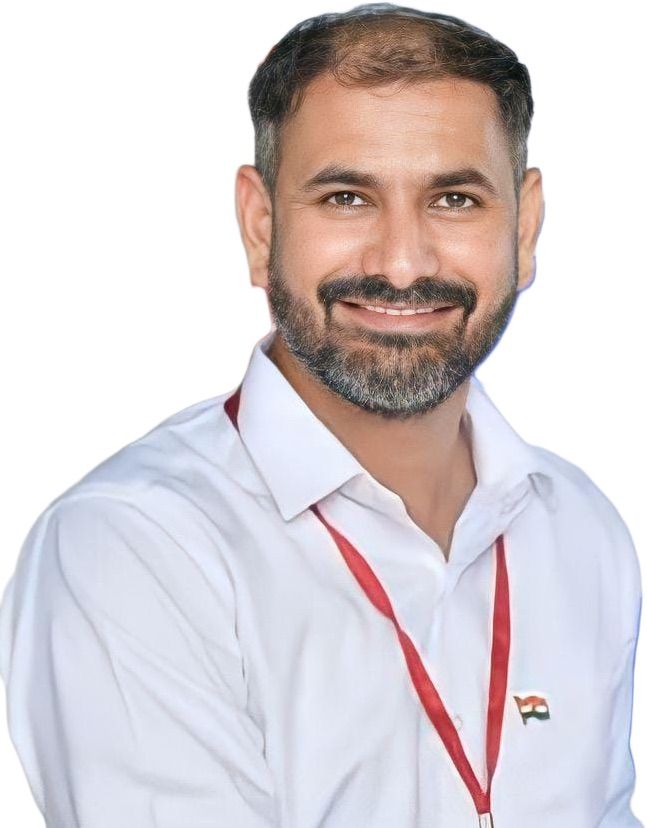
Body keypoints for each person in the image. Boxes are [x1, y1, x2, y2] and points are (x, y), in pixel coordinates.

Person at [0, 3, 642, 826]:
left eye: (453, 199)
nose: (401, 263)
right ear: (260, 225)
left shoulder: (580, 531)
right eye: (346, 197)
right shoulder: (133, 549)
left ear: (523, 229)